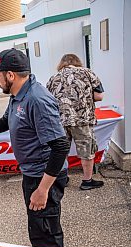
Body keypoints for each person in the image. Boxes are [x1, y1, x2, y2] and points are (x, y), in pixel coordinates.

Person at [0, 49, 70, 247]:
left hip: (44, 177)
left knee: (47, 236)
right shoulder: (17, 95)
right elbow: (5, 122)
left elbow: (60, 147)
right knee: (38, 232)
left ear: (10, 75)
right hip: (32, 174)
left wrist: (43, 190)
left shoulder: (36, 99)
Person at [46, 54, 105, 190]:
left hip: (60, 121)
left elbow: (48, 100)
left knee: (60, 151)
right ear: (78, 62)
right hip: (82, 120)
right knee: (86, 151)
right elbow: (99, 96)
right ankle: (87, 181)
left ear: (61, 64)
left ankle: (62, 179)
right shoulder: (88, 73)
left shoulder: (53, 78)